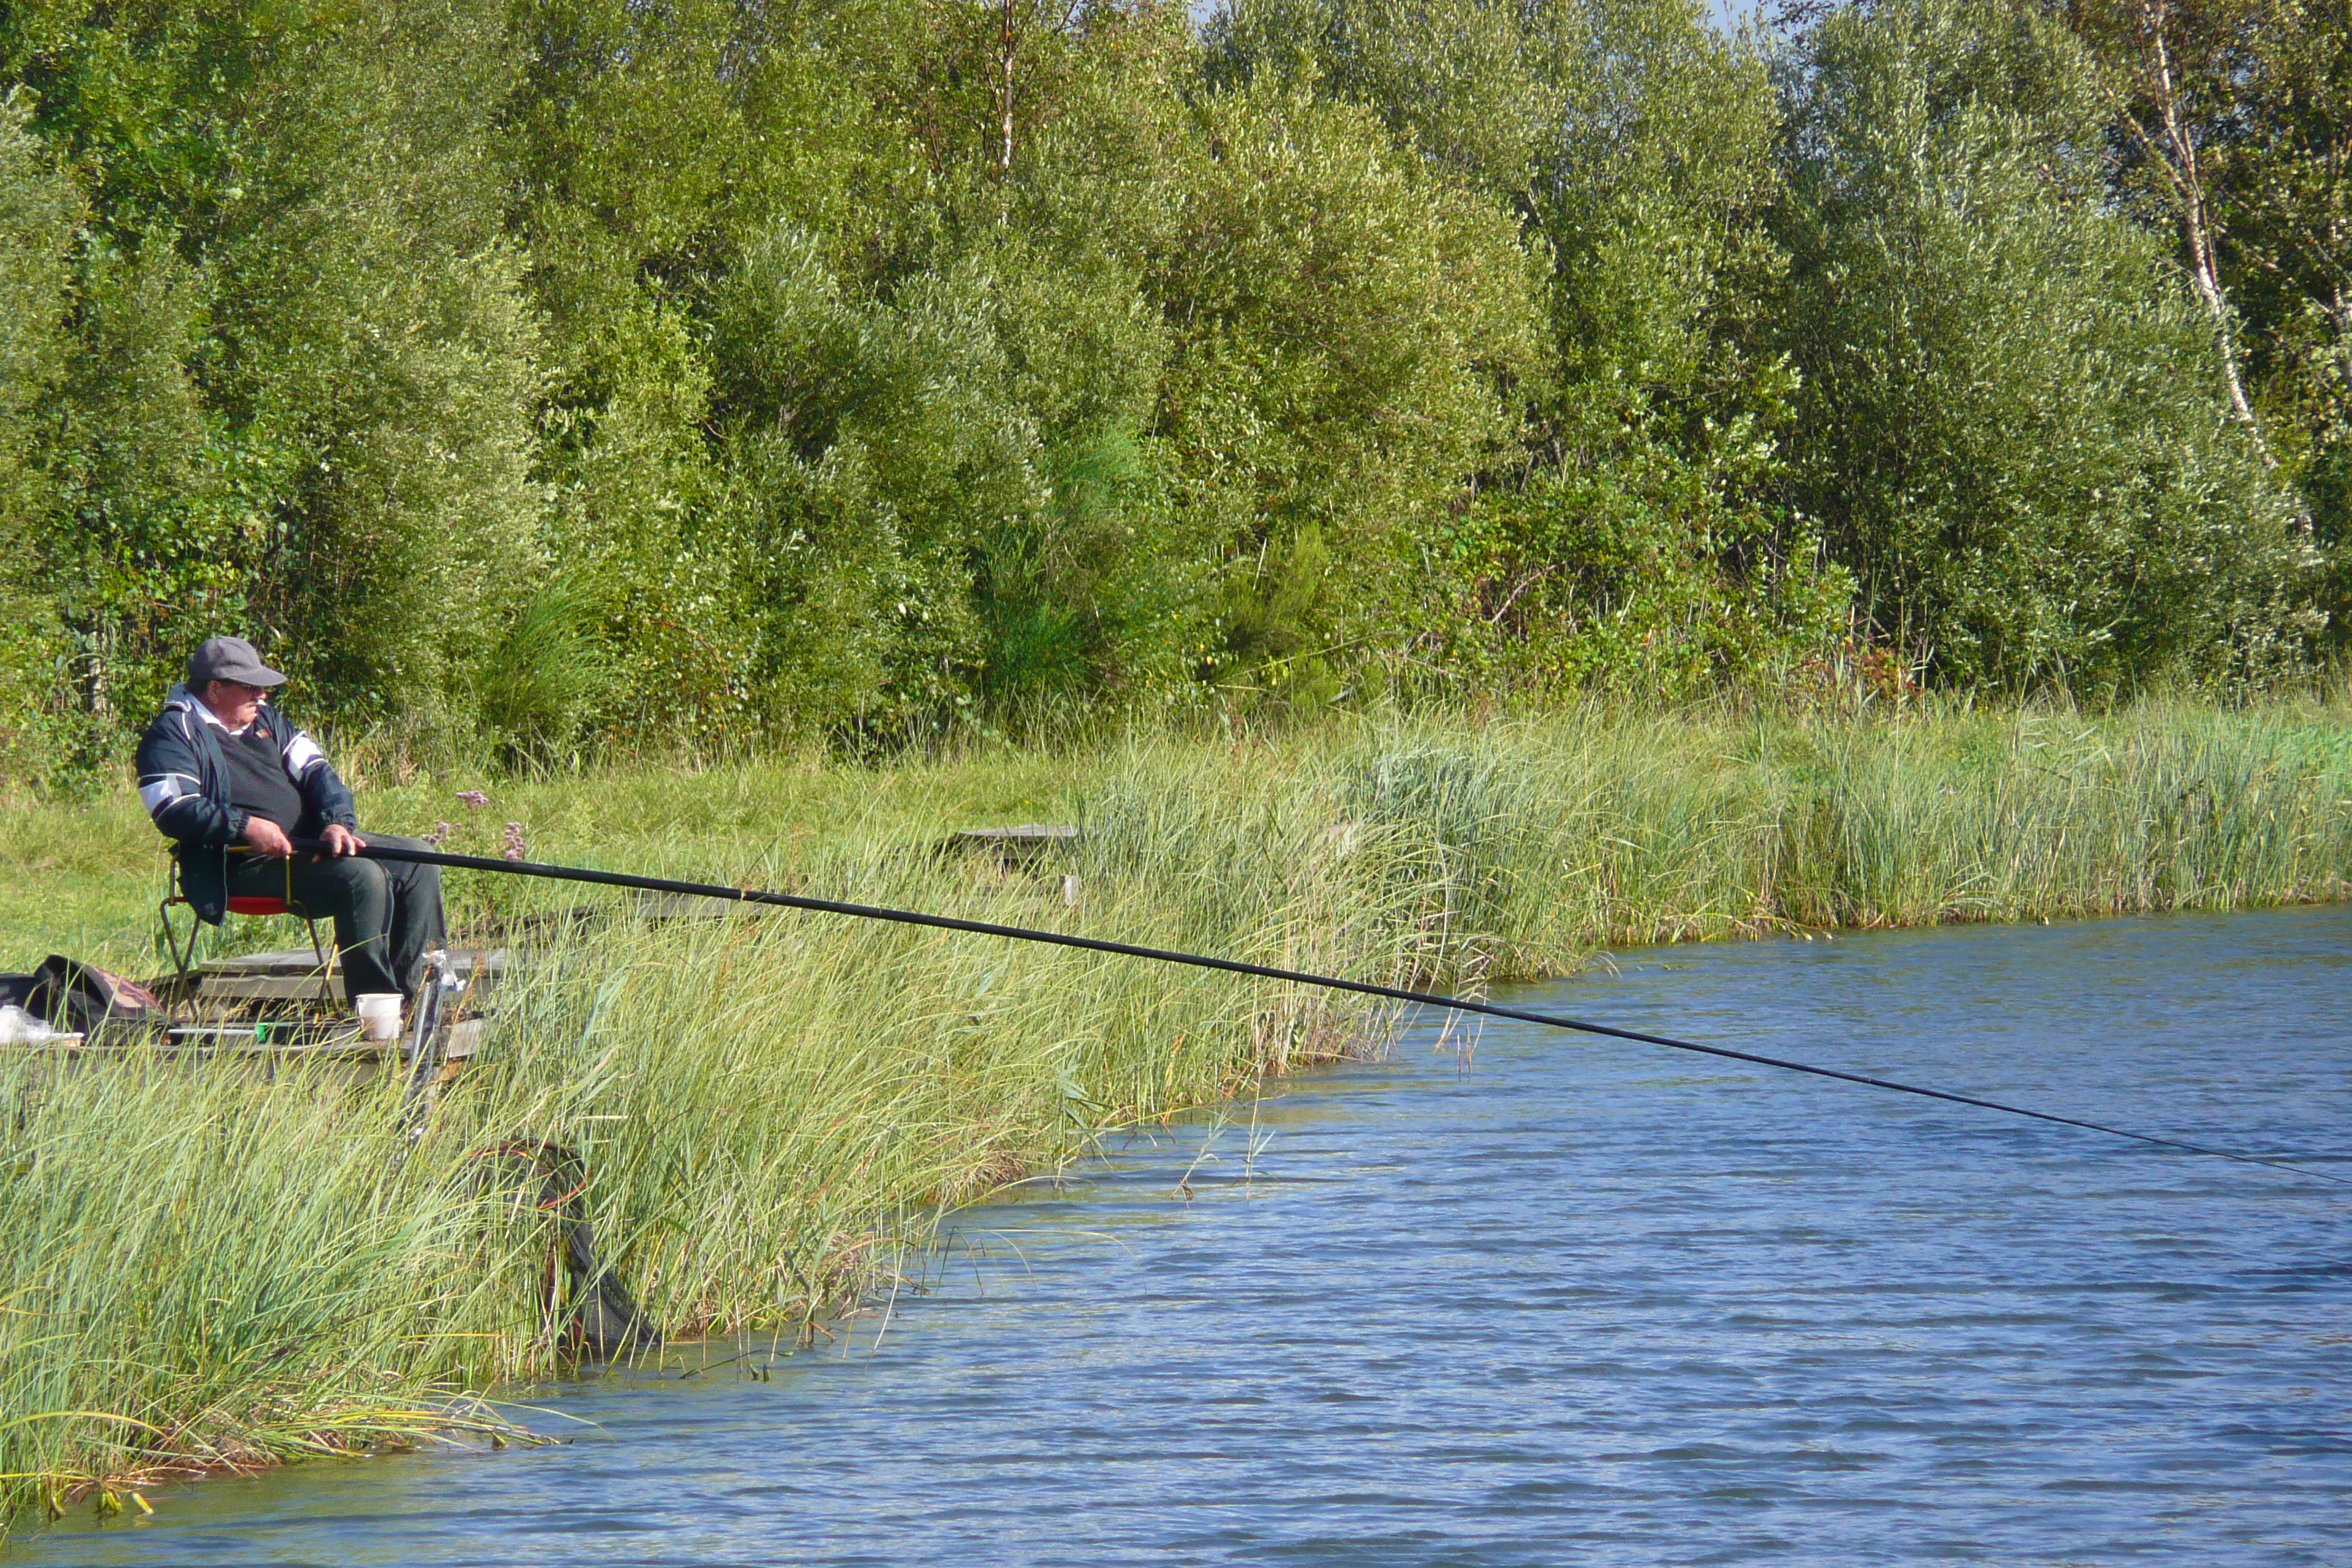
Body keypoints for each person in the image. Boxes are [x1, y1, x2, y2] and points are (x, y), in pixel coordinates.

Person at [136, 636, 445, 1004]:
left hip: (308, 847)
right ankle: (375, 1009)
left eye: (262, 687)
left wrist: (336, 823)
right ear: (215, 689)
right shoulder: (171, 735)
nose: (262, 695)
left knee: (418, 858)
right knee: (362, 877)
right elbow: (174, 810)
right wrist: (246, 827)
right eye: (250, 687)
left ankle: (422, 997)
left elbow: (319, 773)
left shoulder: (268, 721)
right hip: (237, 864)